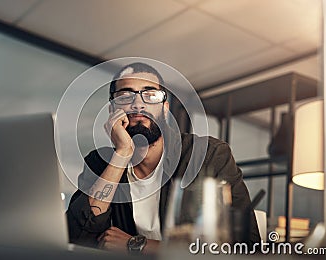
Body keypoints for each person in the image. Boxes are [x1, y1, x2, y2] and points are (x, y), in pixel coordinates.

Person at [66, 62, 260, 254]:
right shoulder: (99, 162)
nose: (138, 103)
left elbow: (246, 245)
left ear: (165, 108)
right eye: (125, 96)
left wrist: (137, 245)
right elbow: (76, 237)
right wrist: (122, 153)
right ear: (112, 110)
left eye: (150, 95)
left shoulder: (209, 155)